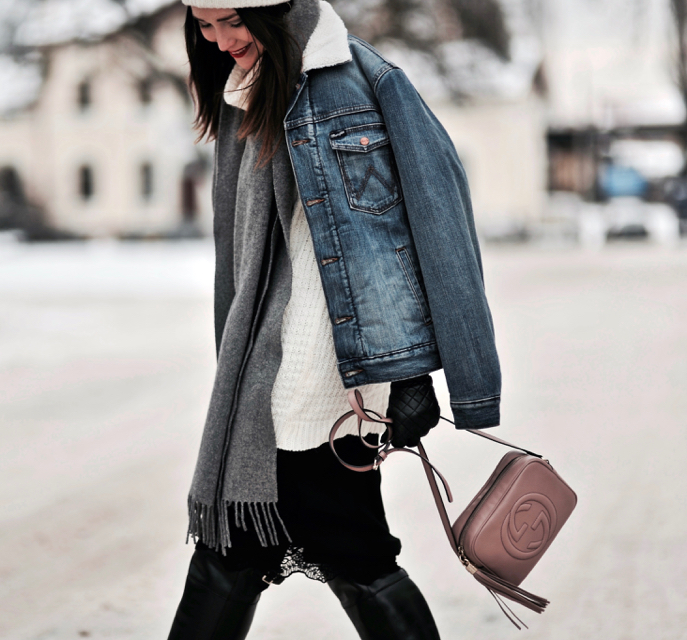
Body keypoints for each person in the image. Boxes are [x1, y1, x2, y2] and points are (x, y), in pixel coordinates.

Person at [167, 1, 502, 638]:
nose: (217, 40)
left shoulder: (364, 84)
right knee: (240, 546)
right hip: (269, 368)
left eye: (229, 20)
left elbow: (438, 227)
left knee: (321, 547)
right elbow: (245, 260)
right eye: (202, 26)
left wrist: (416, 375)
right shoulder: (247, 89)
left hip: (328, 378)